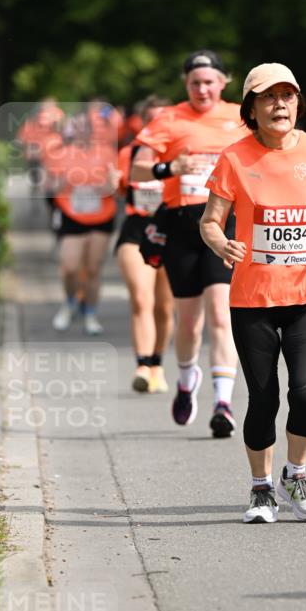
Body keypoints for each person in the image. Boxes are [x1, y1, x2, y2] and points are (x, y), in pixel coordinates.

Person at [201, 63, 306, 524]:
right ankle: (260, 488)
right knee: (263, 398)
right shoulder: (234, 157)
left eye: (287, 95)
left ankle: (296, 474)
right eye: (268, 97)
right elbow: (208, 221)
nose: (279, 104)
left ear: (299, 103)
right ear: (251, 107)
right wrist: (222, 242)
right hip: (253, 298)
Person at [131, 50, 248, 436]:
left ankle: (223, 402)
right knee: (189, 323)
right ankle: (186, 381)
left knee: (220, 314)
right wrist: (170, 167)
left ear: (223, 82)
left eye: (209, 82)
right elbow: (137, 167)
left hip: (225, 224)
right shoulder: (169, 119)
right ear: (186, 85)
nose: (202, 89)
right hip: (182, 224)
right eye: (195, 83)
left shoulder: (239, 117)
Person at [115, 95, 174, 393]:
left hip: (171, 231)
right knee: (142, 298)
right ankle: (142, 364)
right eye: (150, 119)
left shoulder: (182, 153)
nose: (156, 124)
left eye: (162, 118)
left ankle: (157, 365)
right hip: (137, 229)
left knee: (165, 307)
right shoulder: (130, 153)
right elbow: (118, 187)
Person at [45, 113, 118, 335]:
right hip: (71, 215)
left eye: (84, 127)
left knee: (93, 269)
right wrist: (64, 182)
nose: (80, 131)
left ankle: (90, 314)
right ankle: (69, 303)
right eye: (75, 127)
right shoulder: (60, 154)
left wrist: (106, 187)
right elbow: (48, 187)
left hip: (101, 216)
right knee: (70, 267)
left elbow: (116, 183)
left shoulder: (106, 152)